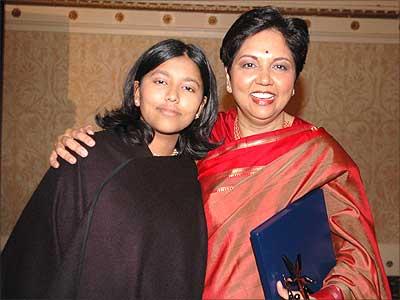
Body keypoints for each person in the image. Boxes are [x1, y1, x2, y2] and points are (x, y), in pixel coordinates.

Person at [47, 7, 391, 300]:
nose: (265, 80)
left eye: (281, 67)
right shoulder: (199, 138)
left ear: (296, 79)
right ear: (228, 78)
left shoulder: (320, 156)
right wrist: (86, 143)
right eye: (249, 65)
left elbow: (360, 262)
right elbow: (135, 170)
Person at [1, 39, 220, 299]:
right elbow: (34, 257)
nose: (173, 95)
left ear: (201, 107)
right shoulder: (87, 154)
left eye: (188, 87)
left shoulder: (193, 179)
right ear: (137, 92)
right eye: (160, 81)